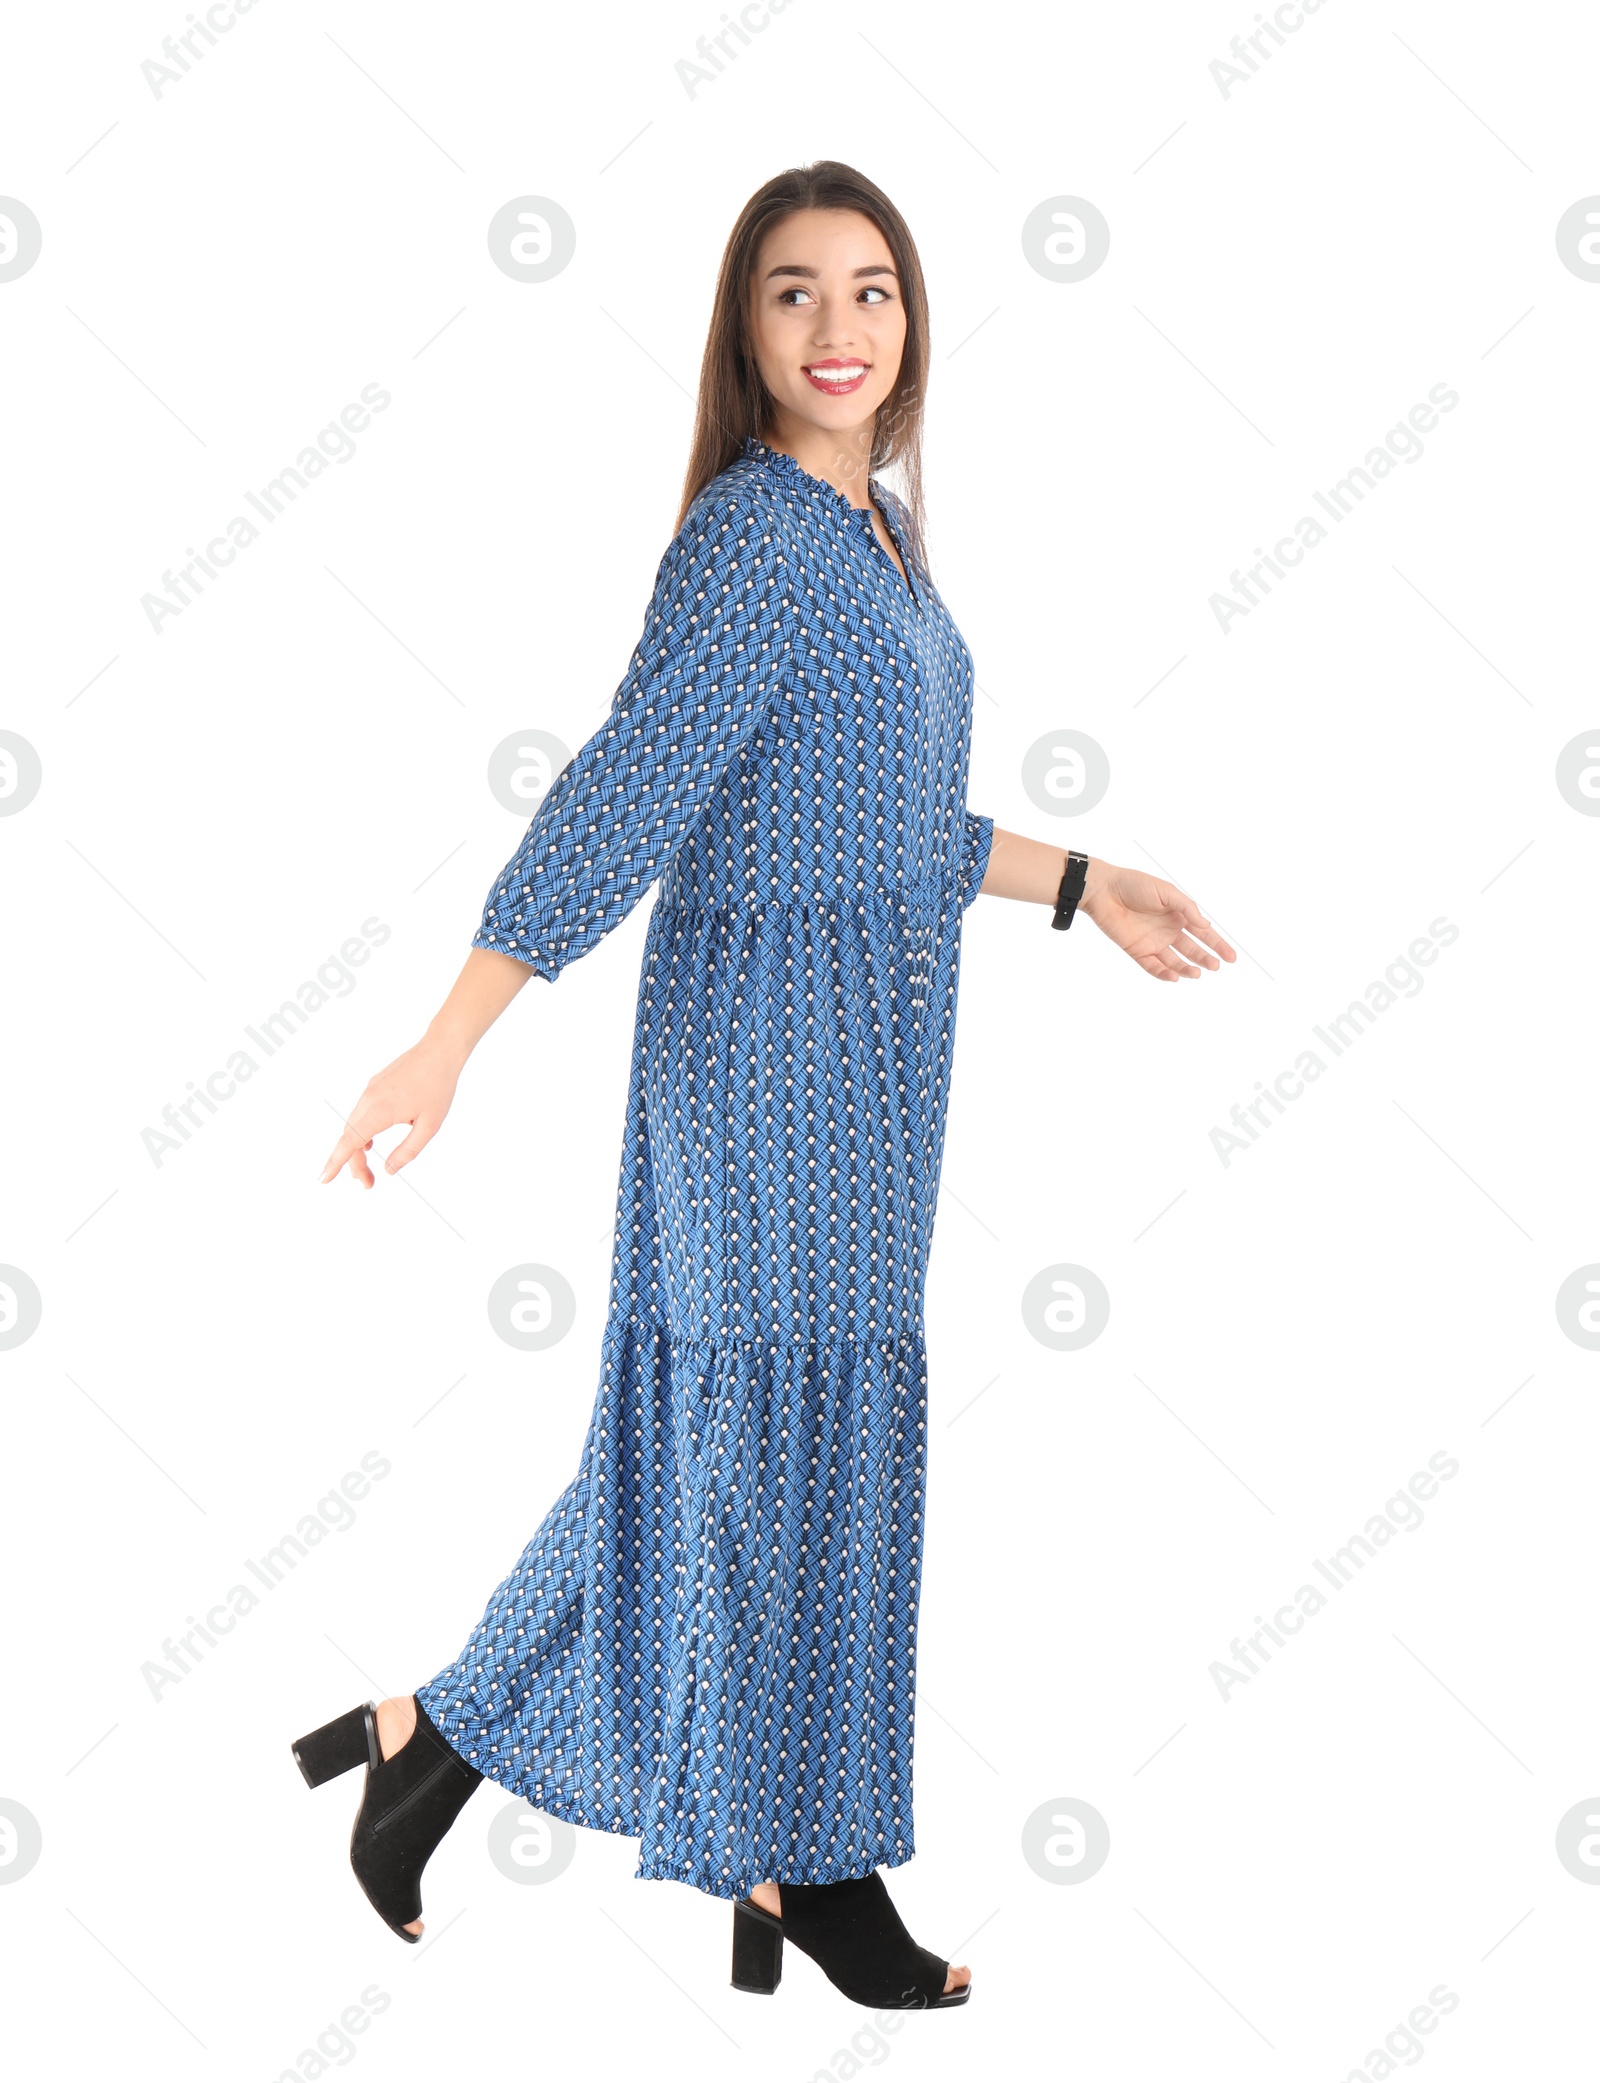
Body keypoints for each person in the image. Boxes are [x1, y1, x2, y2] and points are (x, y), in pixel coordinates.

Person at [289, 159, 1235, 2014]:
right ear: (741, 327)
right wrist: (449, 1035)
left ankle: (437, 1744)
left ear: (914, 323)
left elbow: (869, 819)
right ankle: (809, 1861)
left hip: (879, 1056)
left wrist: (1074, 883)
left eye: (871, 290)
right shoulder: (753, 540)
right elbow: (629, 794)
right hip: (762, 1059)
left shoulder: (878, 534)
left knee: (749, 1446)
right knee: (758, 1445)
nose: (837, 329)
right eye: (794, 293)